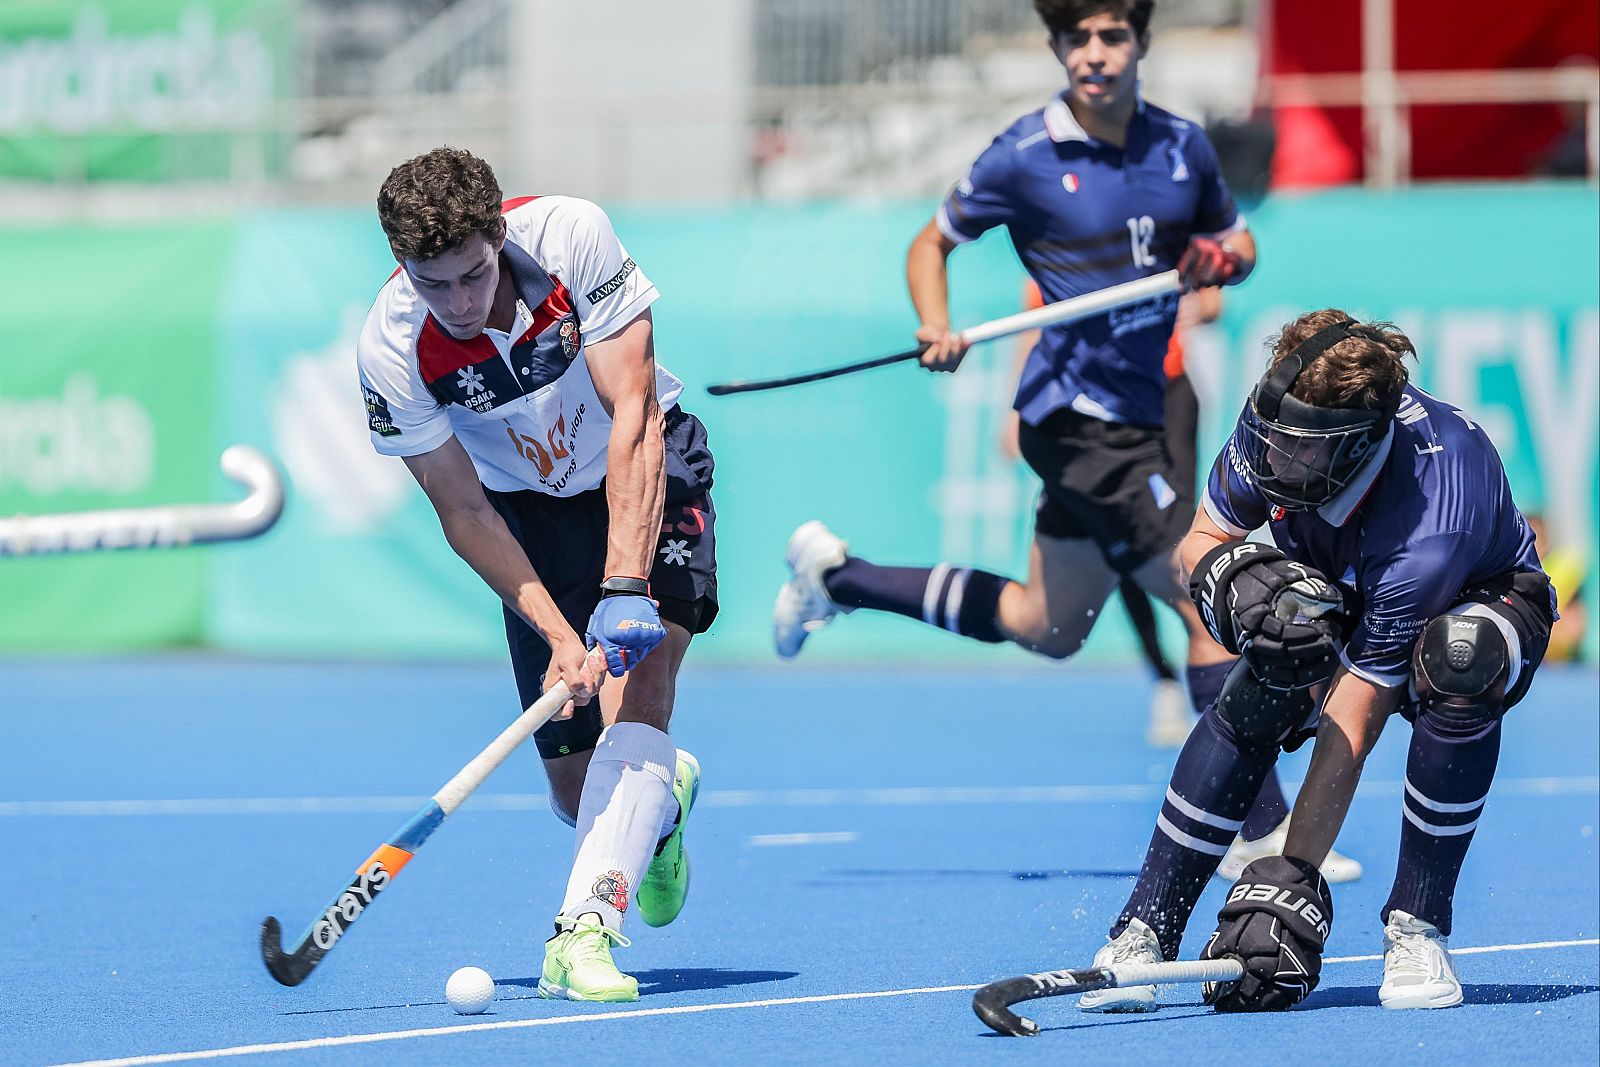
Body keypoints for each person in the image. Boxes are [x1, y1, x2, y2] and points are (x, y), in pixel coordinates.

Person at [771, 0, 1328, 872]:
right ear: (1057, 48)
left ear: (1140, 45)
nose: (1094, 55)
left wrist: (1225, 259)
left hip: (1140, 413)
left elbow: (1238, 240)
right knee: (1202, 591)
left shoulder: (1180, 147)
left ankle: (838, 576)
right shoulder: (1024, 154)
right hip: (1072, 422)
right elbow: (931, 242)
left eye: (1111, 37)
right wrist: (936, 324)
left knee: (1046, 623)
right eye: (1077, 40)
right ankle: (1262, 834)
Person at [1085, 310, 1555, 1013]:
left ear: (1360, 443)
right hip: (1346, 580)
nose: (1272, 458)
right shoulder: (1272, 420)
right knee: (1270, 664)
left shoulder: (1434, 509)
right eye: (1269, 435)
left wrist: (1288, 879)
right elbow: (1201, 539)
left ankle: (1417, 926)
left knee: (1460, 660)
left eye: (1297, 450)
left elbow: (1352, 724)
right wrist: (1228, 578)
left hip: (1476, 597)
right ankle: (1144, 928)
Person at [355, 147, 718, 1003]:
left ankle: (583, 932)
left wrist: (625, 588)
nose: (459, 303)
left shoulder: (572, 234)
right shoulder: (389, 347)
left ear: (497, 233)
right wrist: (560, 635)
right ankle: (659, 803)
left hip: (644, 474)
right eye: (431, 283)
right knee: (576, 788)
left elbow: (633, 412)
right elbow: (464, 511)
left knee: (643, 692)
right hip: (527, 518)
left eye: (472, 276)